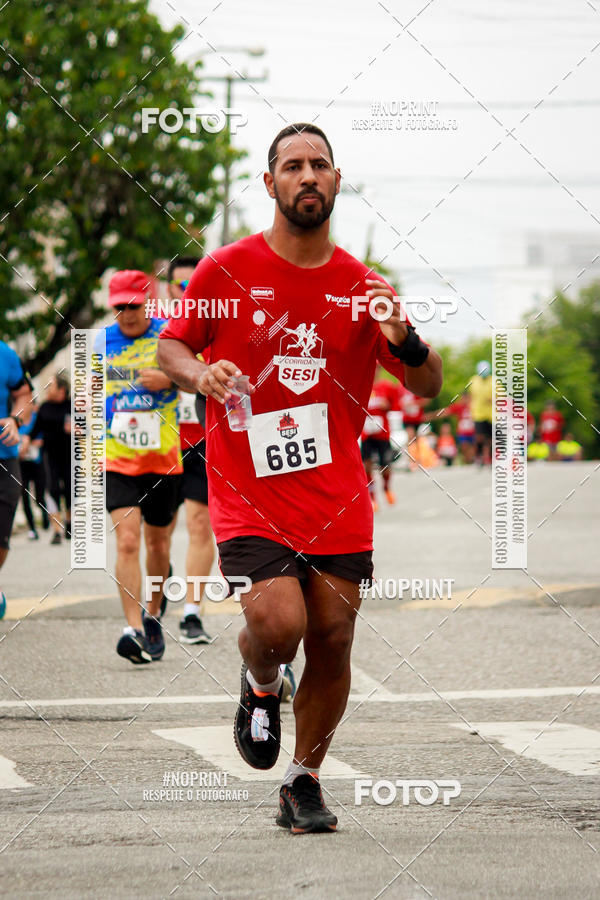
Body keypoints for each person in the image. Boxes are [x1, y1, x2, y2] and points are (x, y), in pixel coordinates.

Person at [157, 123, 442, 833]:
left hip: (337, 496)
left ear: (337, 182)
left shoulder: (363, 287)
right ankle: (260, 684)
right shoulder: (223, 270)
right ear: (271, 184)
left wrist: (405, 337)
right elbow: (170, 345)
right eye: (292, 165)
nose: (307, 175)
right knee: (277, 624)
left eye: (320, 165)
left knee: (335, 636)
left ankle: (304, 781)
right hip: (249, 490)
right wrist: (202, 372)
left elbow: (429, 384)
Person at [103, 269, 182, 664]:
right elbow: (83, 396)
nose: (127, 314)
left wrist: (169, 378)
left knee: (157, 543)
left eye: (133, 305)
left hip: (162, 458)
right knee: (128, 539)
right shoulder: (100, 342)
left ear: (146, 302)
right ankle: (132, 628)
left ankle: (152, 615)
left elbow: (197, 377)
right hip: (116, 458)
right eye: (119, 307)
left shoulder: (169, 335)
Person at [167, 257, 213, 644]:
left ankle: (191, 612)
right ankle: (154, 588)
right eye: (179, 287)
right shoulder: (149, 332)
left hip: (200, 442)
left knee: (200, 526)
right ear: (168, 289)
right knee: (155, 536)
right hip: (155, 447)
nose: (186, 293)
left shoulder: (213, 324)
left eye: (191, 286)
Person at [31, 374, 72, 544]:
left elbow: (86, 430)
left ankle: (69, 523)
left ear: (62, 389)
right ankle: (57, 530)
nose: (48, 388)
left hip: (70, 456)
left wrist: (78, 430)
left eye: (51, 386)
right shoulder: (44, 407)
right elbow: (35, 430)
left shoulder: (72, 406)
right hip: (50, 455)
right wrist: (29, 440)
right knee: (52, 490)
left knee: (70, 491)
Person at [0, 339, 30, 574]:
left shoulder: (6, 354)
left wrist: (15, 419)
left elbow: (24, 395)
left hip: (4, 456)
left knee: (1, 536)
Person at [360, 367, 398, 510]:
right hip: (366, 433)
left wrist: (386, 406)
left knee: (385, 466)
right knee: (367, 465)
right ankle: (372, 497)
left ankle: (387, 488)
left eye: (377, 368)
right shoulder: (361, 385)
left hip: (382, 433)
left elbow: (396, 407)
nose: (374, 370)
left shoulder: (387, 387)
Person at [18, 383, 50, 539]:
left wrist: (29, 442)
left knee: (39, 496)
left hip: (37, 462)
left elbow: (43, 439)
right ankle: (32, 529)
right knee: (23, 495)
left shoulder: (38, 418)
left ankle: (45, 517)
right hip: (21, 463)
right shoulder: (16, 419)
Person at [469, 360, 493, 465]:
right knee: (479, 437)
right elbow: (471, 396)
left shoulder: (494, 381)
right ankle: (478, 456)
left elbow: (501, 396)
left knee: (490, 438)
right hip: (478, 414)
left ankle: (490, 458)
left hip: (492, 415)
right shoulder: (473, 381)